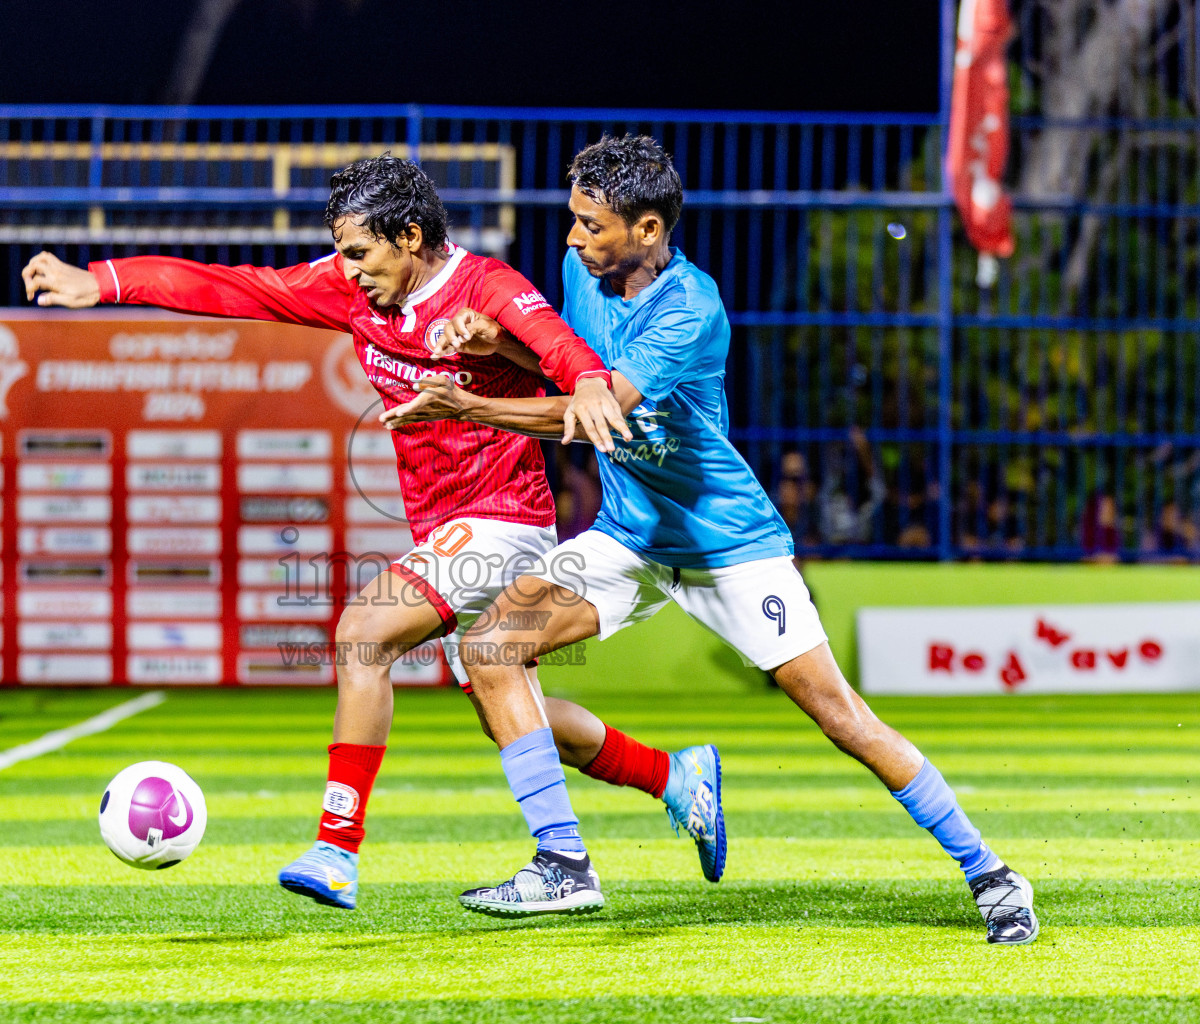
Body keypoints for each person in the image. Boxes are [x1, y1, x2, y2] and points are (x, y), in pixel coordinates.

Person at [22, 155, 722, 911]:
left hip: (504, 518)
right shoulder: (347, 290)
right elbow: (235, 287)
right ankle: (675, 777)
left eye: (358, 252)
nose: (345, 269)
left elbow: (562, 351)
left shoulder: (486, 287)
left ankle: (342, 848)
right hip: (447, 525)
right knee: (510, 706)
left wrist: (586, 381)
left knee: (364, 632)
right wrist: (107, 281)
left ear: (410, 236)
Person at [384, 135, 1038, 944]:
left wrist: (470, 405)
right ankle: (563, 864)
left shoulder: (692, 308)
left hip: (727, 545)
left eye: (591, 226)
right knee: (489, 651)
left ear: (649, 229)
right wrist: (500, 348)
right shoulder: (582, 279)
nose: (572, 239)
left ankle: (993, 875)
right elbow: (568, 371)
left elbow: (596, 413)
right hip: (631, 534)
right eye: (572, 220)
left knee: (841, 718)